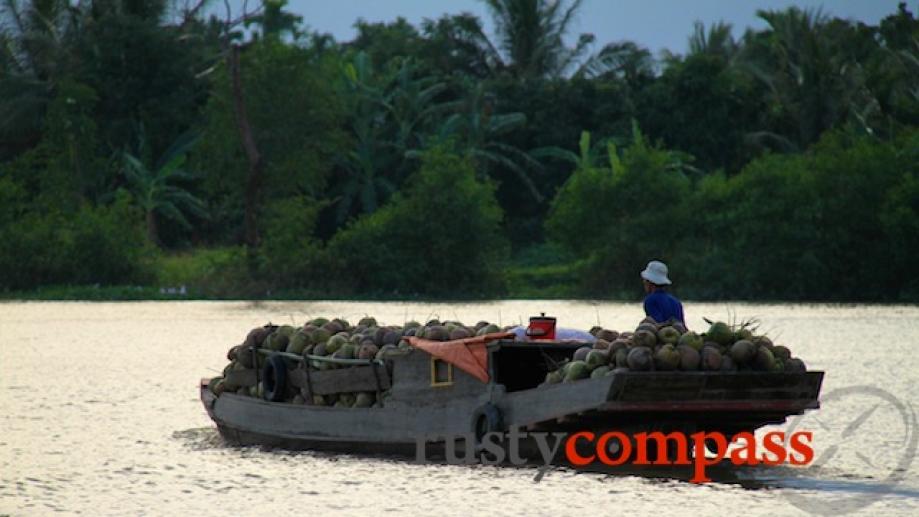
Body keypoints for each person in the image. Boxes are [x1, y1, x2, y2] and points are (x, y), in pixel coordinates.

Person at [640, 260, 685, 325]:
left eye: (645, 280)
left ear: (650, 282)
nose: (643, 282)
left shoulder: (650, 300)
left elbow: (657, 325)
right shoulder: (675, 301)